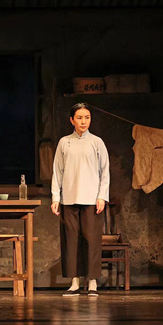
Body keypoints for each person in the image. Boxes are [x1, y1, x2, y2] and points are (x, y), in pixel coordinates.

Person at [51, 103, 110, 296]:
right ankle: (74, 282)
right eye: (79, 117)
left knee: (91, 240)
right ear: (71, 120)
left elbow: (104, 172)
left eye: (87, 117)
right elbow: (57, 172)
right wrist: (56, 197)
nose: (83, 121)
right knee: (71, 240)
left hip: (92, 199)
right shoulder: (64, 142)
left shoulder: (97, 142)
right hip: (69, 198)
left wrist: (102, 196)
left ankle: (92, 282)